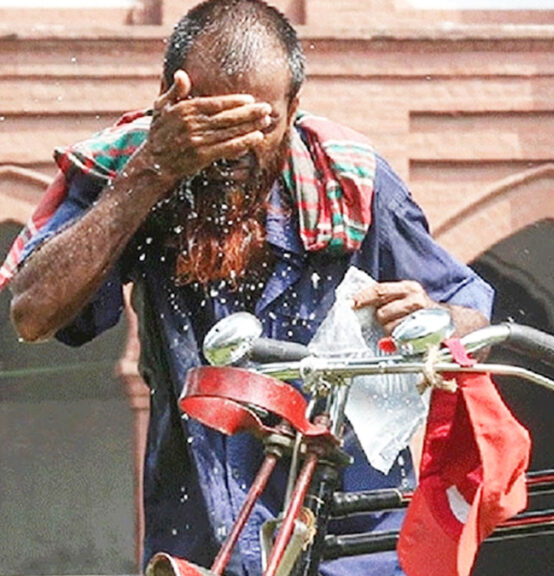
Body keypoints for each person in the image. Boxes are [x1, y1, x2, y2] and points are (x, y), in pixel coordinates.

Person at [2, 1, 492, 575]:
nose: (235, 150)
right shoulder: (134, 174)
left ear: (293, 110)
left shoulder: (349, 183)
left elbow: (473, 317)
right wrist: (151, 171)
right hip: (207, 544)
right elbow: (33, 314)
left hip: (354, 545)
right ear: (170, 100)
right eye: (214, 122)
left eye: (259, 125)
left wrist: (432, 317)